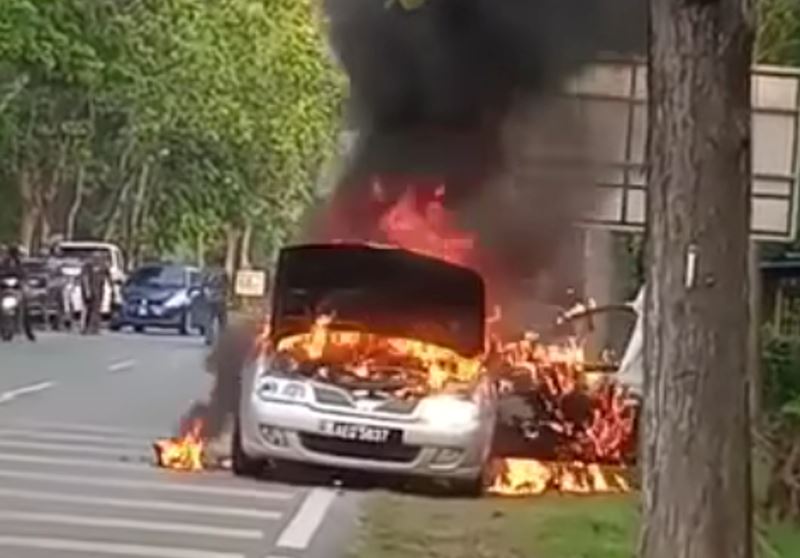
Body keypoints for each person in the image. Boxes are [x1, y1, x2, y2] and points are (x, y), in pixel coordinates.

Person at [0, 245, 36, 341]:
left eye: (15, 254)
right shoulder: (3, 263)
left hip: (17, 288)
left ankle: (28, 331)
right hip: (3, 288)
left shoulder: (20, 264)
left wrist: (24, 283)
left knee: (26, 305)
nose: (13, 256)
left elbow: (25, 276)